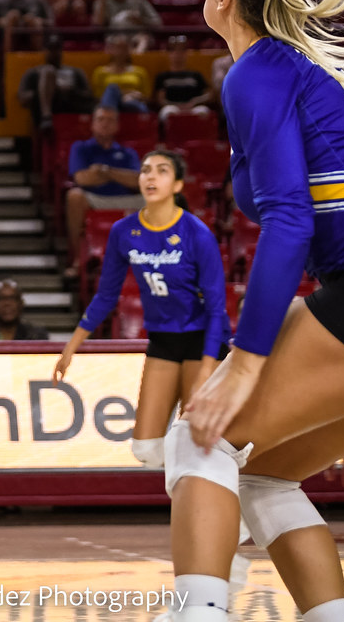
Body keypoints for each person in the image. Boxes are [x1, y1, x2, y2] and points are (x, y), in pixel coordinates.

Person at [157, 0, 344, 622]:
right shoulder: (313, 72)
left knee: (198, 440)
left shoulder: (258, 70)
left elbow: (288, 219)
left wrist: (245, 364)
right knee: (264, 470)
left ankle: (196, 614)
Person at [54, 150, 230, 469]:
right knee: (147, 449)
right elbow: (106, 296)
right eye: (146, 170)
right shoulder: (124, 232)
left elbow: (217, 308)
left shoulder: (198, 234)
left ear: (177, 185)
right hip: (163, 340)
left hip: (202, 340)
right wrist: (72, 346)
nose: (150, 176)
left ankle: (226, 497)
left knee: (196, 445)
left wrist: (207, 367)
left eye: (161, 171)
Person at [64, 105, 143, 280]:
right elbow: (83, 179)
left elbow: (138, 181)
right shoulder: (80, 148)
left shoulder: (128, 152)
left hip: (128, 199)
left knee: (167, 198)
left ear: (117, 126)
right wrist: (120, 175)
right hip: (96, 199)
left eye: (110, 120)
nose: (105, 124)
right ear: (92, 125)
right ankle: (78, 259)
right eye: (100, 119)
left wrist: (104, 172)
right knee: (74, 196)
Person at [17, 33, 93, 132]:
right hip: (41, 116)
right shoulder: (33, 73)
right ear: (44, 51)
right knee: (48, 71)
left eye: (57, 49)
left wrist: (70, 90)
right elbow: (22, 98)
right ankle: (46, 117)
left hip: (70, 109)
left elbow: (89, 96)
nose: (54, 53)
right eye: (50, 49)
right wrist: (44, 92)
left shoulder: (75, 72)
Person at [153, 34, 213, 122]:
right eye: (174, 50)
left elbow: (209, 95)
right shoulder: (163, 76)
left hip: (193, 108)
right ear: (169, 54)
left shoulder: (195, 75)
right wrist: (177, 106)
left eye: (182, 51)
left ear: (186, 53)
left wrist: (195, 101)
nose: (178, 54)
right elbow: (160, 100)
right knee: (167, 113)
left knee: (203, 112)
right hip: (172, 107)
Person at [91, 32, 151, 113]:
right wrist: (123, 95)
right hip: (108, 105)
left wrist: (134, 95)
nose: (121, 51)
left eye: (125, 48)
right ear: (111, 49)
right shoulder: (100, 72)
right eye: (118, 47)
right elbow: (97, 97)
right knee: (112, 88)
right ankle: (109, 120)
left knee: (139, 107)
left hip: (132, 103)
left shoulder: (140, 71)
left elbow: (147, 97)